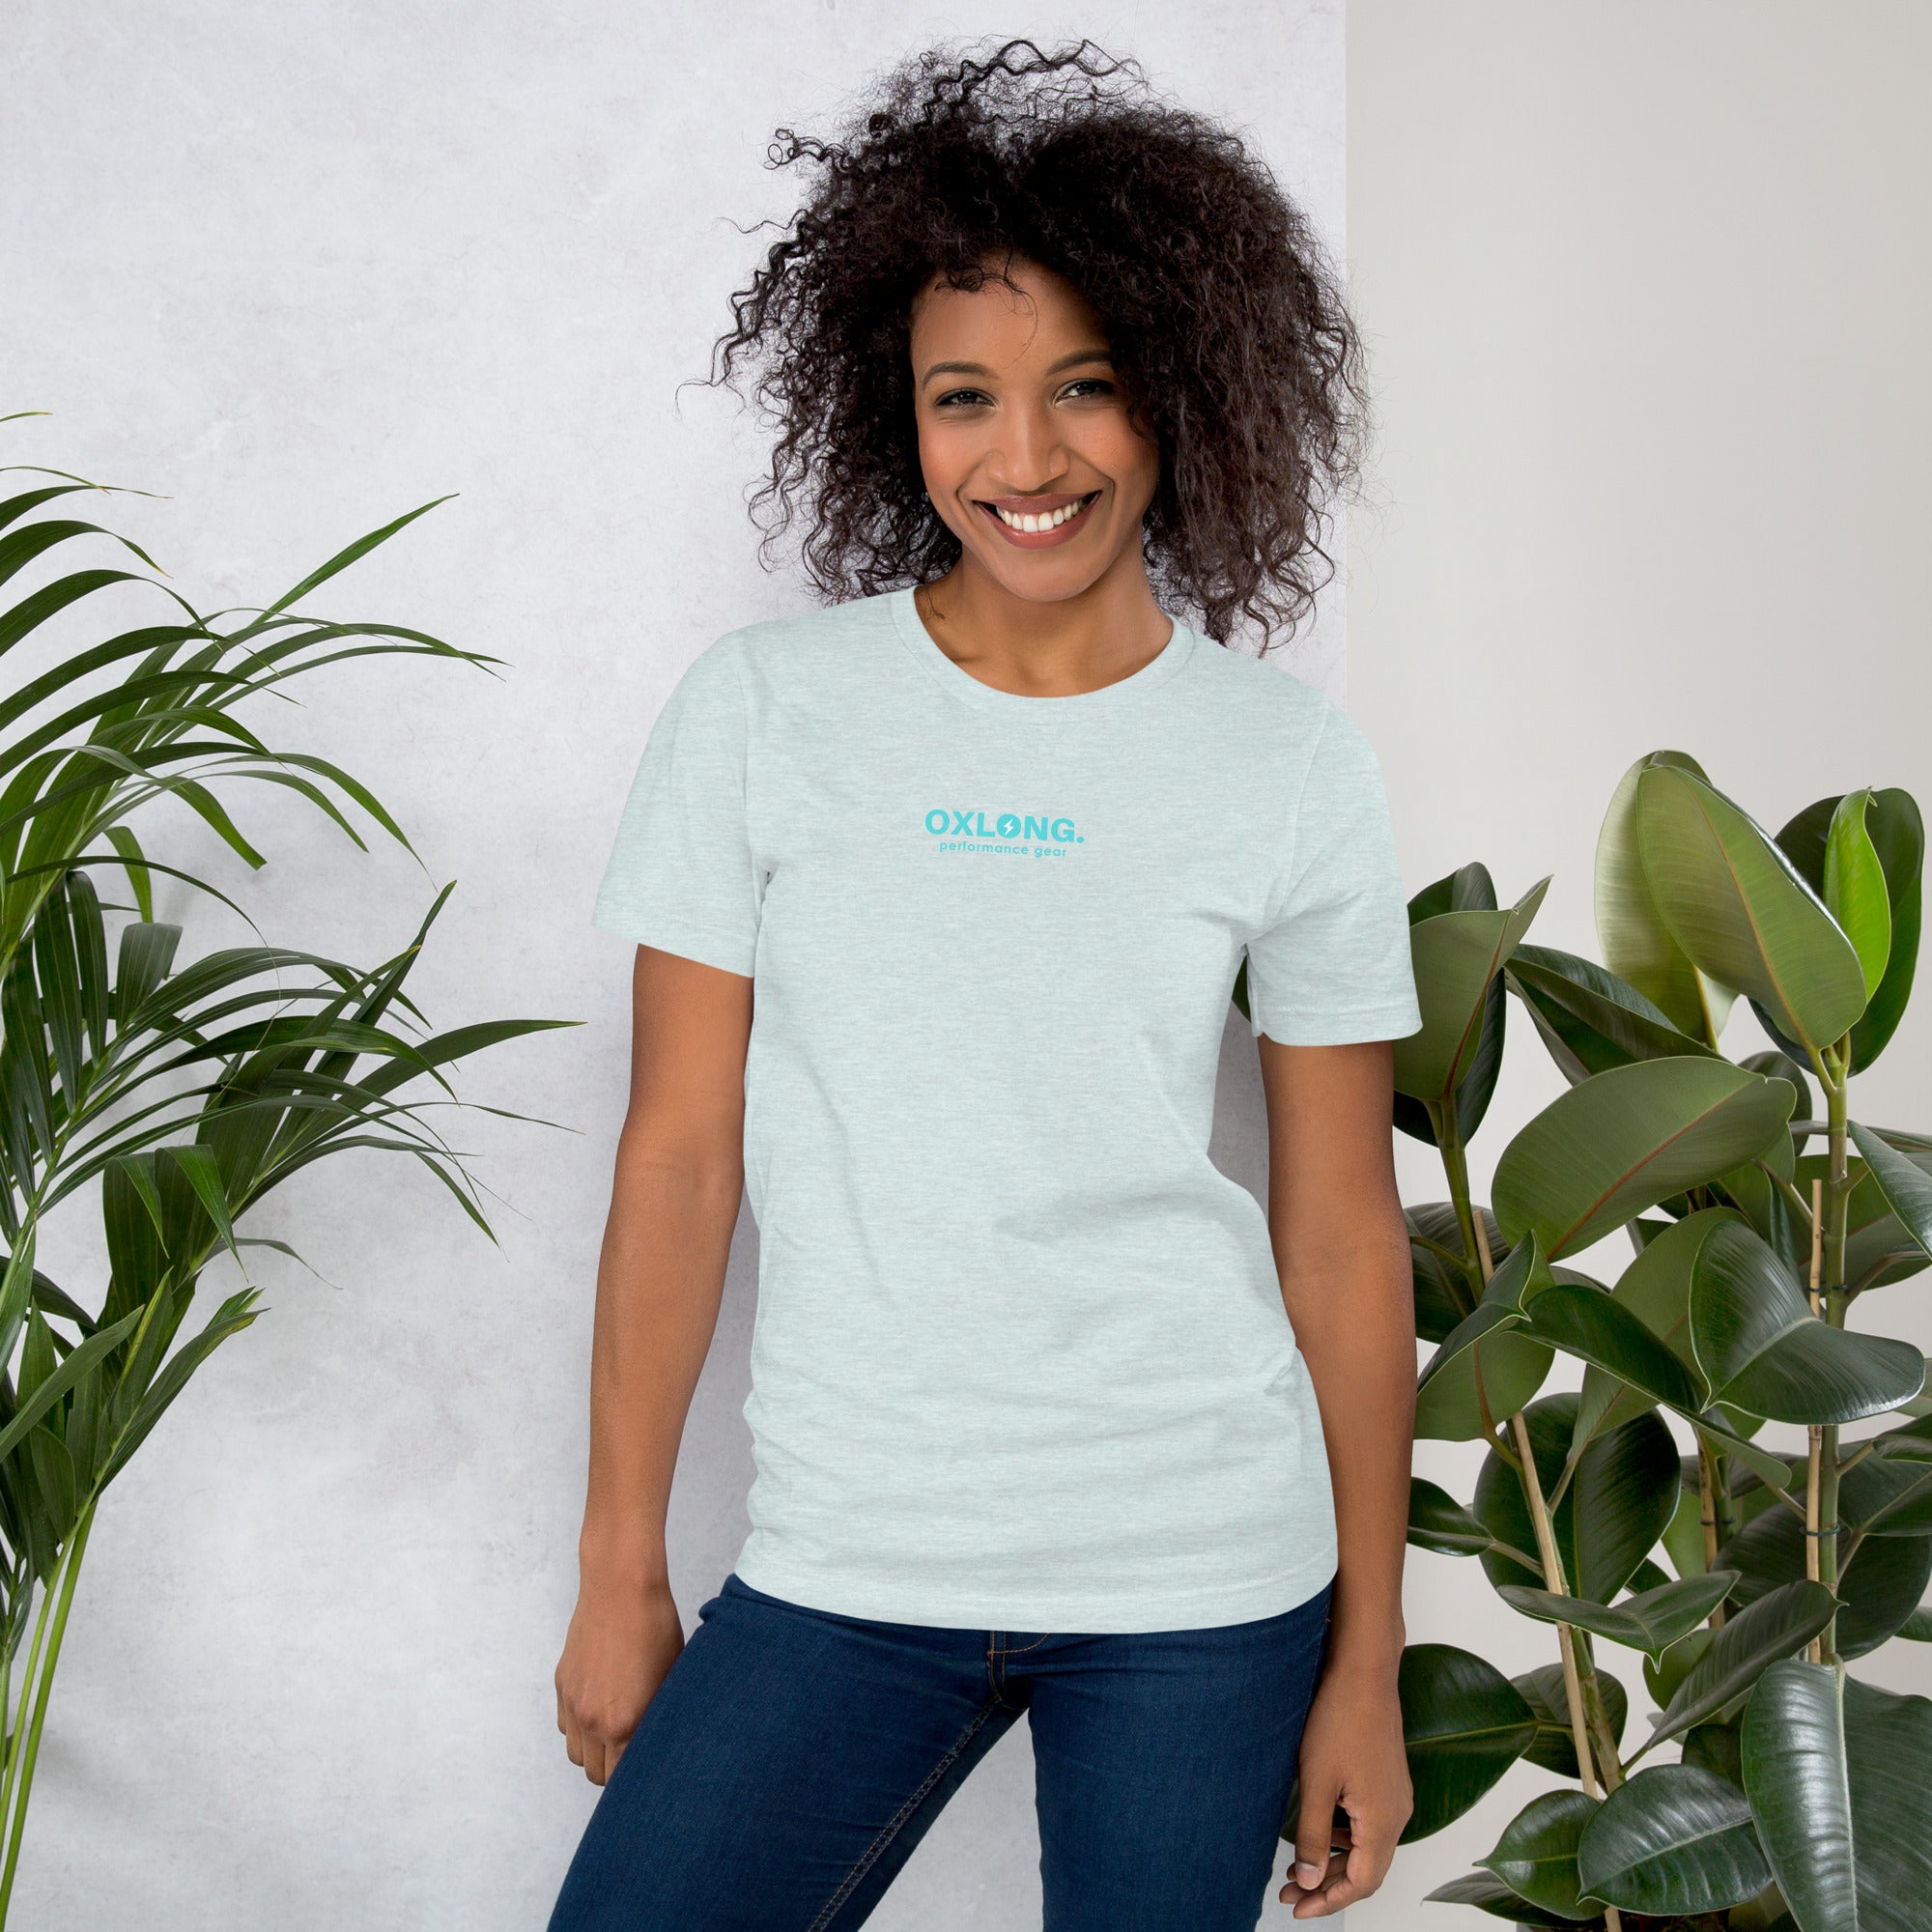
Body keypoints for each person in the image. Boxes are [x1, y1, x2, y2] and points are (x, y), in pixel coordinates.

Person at [550, 41, 1421, 1932]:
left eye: (1084, 387)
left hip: (1203, 1574)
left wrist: (1367, 1657)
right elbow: (679, 1158)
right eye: (966, 398)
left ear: (1183, 390)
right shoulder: (764, 716)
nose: (1025, 461)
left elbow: (1346, 1236)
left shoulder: (1283, 764)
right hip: (856, 1552)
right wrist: (622, 1557)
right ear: (902, 416)